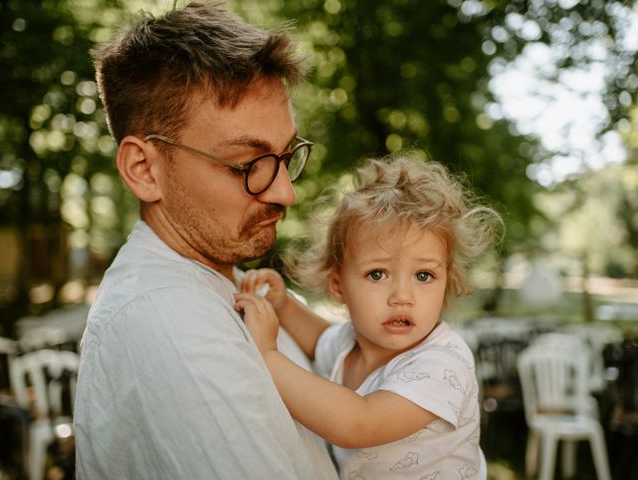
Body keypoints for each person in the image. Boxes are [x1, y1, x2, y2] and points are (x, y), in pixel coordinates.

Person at [73, 2, 338, 479]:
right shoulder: (166, 318)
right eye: (246, 164)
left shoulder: (237, 283)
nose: (287, 192)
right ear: (143, 169)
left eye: (286, 155)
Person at [236, 155, 503, 479]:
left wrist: (267, 355)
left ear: (447, 281)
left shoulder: (443, 364)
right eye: (378, 274)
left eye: (423, 276)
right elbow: (320, 339)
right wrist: (284, 306)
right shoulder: (353, 343)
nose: (402, 297)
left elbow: (357, 424)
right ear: (338, 286)